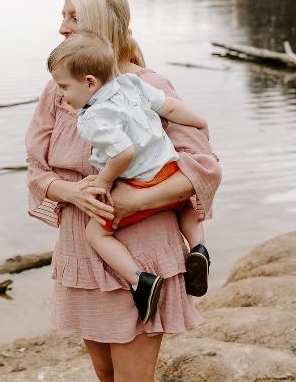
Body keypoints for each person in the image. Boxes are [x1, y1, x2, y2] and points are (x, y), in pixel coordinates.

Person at [25, 0, 221, 382]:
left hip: (141, 249)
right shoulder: (62, 89)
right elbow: (37, 172)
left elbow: (202, 167)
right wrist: (71, 190)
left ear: (100, 23)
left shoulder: (146, 85)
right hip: (83, 250)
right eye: (62, 16)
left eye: (72, 17)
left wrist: (133, 202)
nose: (61, 28)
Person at [45, 31, 212, 324]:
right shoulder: (133, 82)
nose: (60, 94)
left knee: (96, 234)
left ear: (89, 82)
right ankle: (198, 247)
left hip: (139, 182)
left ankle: (140, 281)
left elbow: (123, 152)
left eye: (63, 86)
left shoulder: (92, 118)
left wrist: (104, 181)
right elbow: (170, 108)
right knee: (184, 204)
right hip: (169, 171)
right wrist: (200, 121)